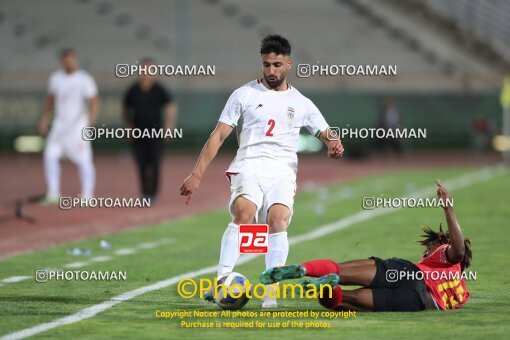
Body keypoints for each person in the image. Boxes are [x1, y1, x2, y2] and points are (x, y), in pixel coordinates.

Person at [179, 35, 344, 308]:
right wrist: (196, 174)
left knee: (277, 220)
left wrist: (333, 143)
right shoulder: (244, 94)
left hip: (283, 170)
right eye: (266, 64)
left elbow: (325, 130)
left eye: (277, 65)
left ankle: (272, 292)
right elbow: (219, 135)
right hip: (249, 165)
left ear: (289, 64)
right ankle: (223, 281)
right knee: (244, 214)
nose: (271, 71)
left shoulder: (300, 102)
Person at [261, 180, 471, 311]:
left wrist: (448, 210)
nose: (426, 251)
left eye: (430, 246)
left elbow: (458, 251)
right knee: (345, 301)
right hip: (414, 301)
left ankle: (306, 269)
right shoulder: (461, 291)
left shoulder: (446, 254)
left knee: (341, 270)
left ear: (445, 243)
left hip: (408, 273)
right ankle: (326, 288)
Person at [39, 48, 99, 203]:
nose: (69, 62)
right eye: (66, 59)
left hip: (78, 125)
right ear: (62, 61)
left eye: (72, 59)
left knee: (84, 159)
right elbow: (50, 100)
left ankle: (87, 194)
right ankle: (53, 192)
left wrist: (90, 123)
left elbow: (93, 102)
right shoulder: (56, 79)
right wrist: (45, 119)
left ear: (76, 60)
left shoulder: (84, 79)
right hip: (60, 125)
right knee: (50, 155)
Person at [123, 58, 177, 202]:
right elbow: (126, 108)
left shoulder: (159, 89)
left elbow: (171, 106)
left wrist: (169, 126)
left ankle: (153, 193)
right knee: (141, 164)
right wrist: (128, 126)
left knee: (155, 163)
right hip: (138, 134)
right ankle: (144, 193)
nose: (145, 74)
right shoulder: (133, 90)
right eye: (143, 70)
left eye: (149, 70)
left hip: (156, 134)